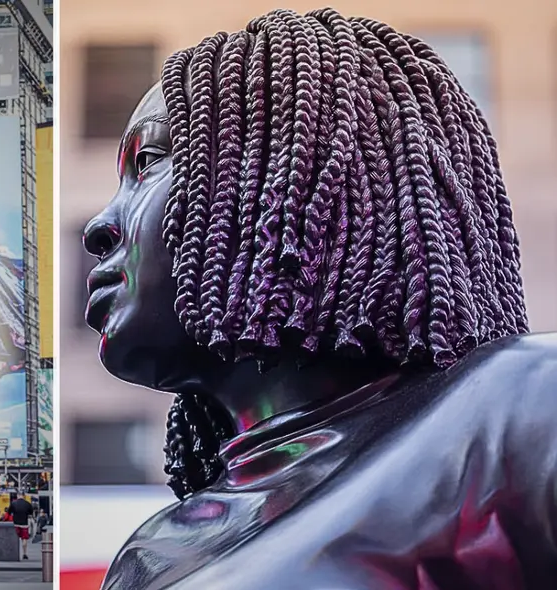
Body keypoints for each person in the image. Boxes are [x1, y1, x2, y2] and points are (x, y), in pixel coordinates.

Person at [82, 8, 557, 589]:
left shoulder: (525, 409)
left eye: (150, 163)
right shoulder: (152, 554)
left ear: (297, 176)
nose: (99, 225)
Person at [6, 494, 33, 560]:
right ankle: (24, 553)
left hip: (15, 524)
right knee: (24, 539)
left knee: (15, 538)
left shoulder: (13, 503)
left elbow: (9, 512)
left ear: (18, 496)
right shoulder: (28, 504)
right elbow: (31, 513)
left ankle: (14, 553)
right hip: (24, 524)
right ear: (23, 496)